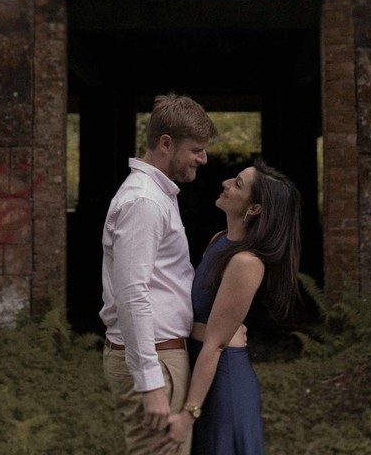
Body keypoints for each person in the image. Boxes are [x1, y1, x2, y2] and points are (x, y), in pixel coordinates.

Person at [158, 159, 302, 455]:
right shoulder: (218, 241)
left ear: (254, 209)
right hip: (199, 373)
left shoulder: (246, 262)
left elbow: (215, 345)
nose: (225, 183)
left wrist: (189, 413)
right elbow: (202, 313)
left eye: (237, 184)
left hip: (223, 384)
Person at [102, 93, 218, 455]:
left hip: (161, 356)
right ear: (166, 144)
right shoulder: (145, 202)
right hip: (155, 361)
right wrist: (151, 383)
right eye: (196, 149)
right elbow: (132, 293)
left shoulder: (158, 195)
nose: (204, 158)